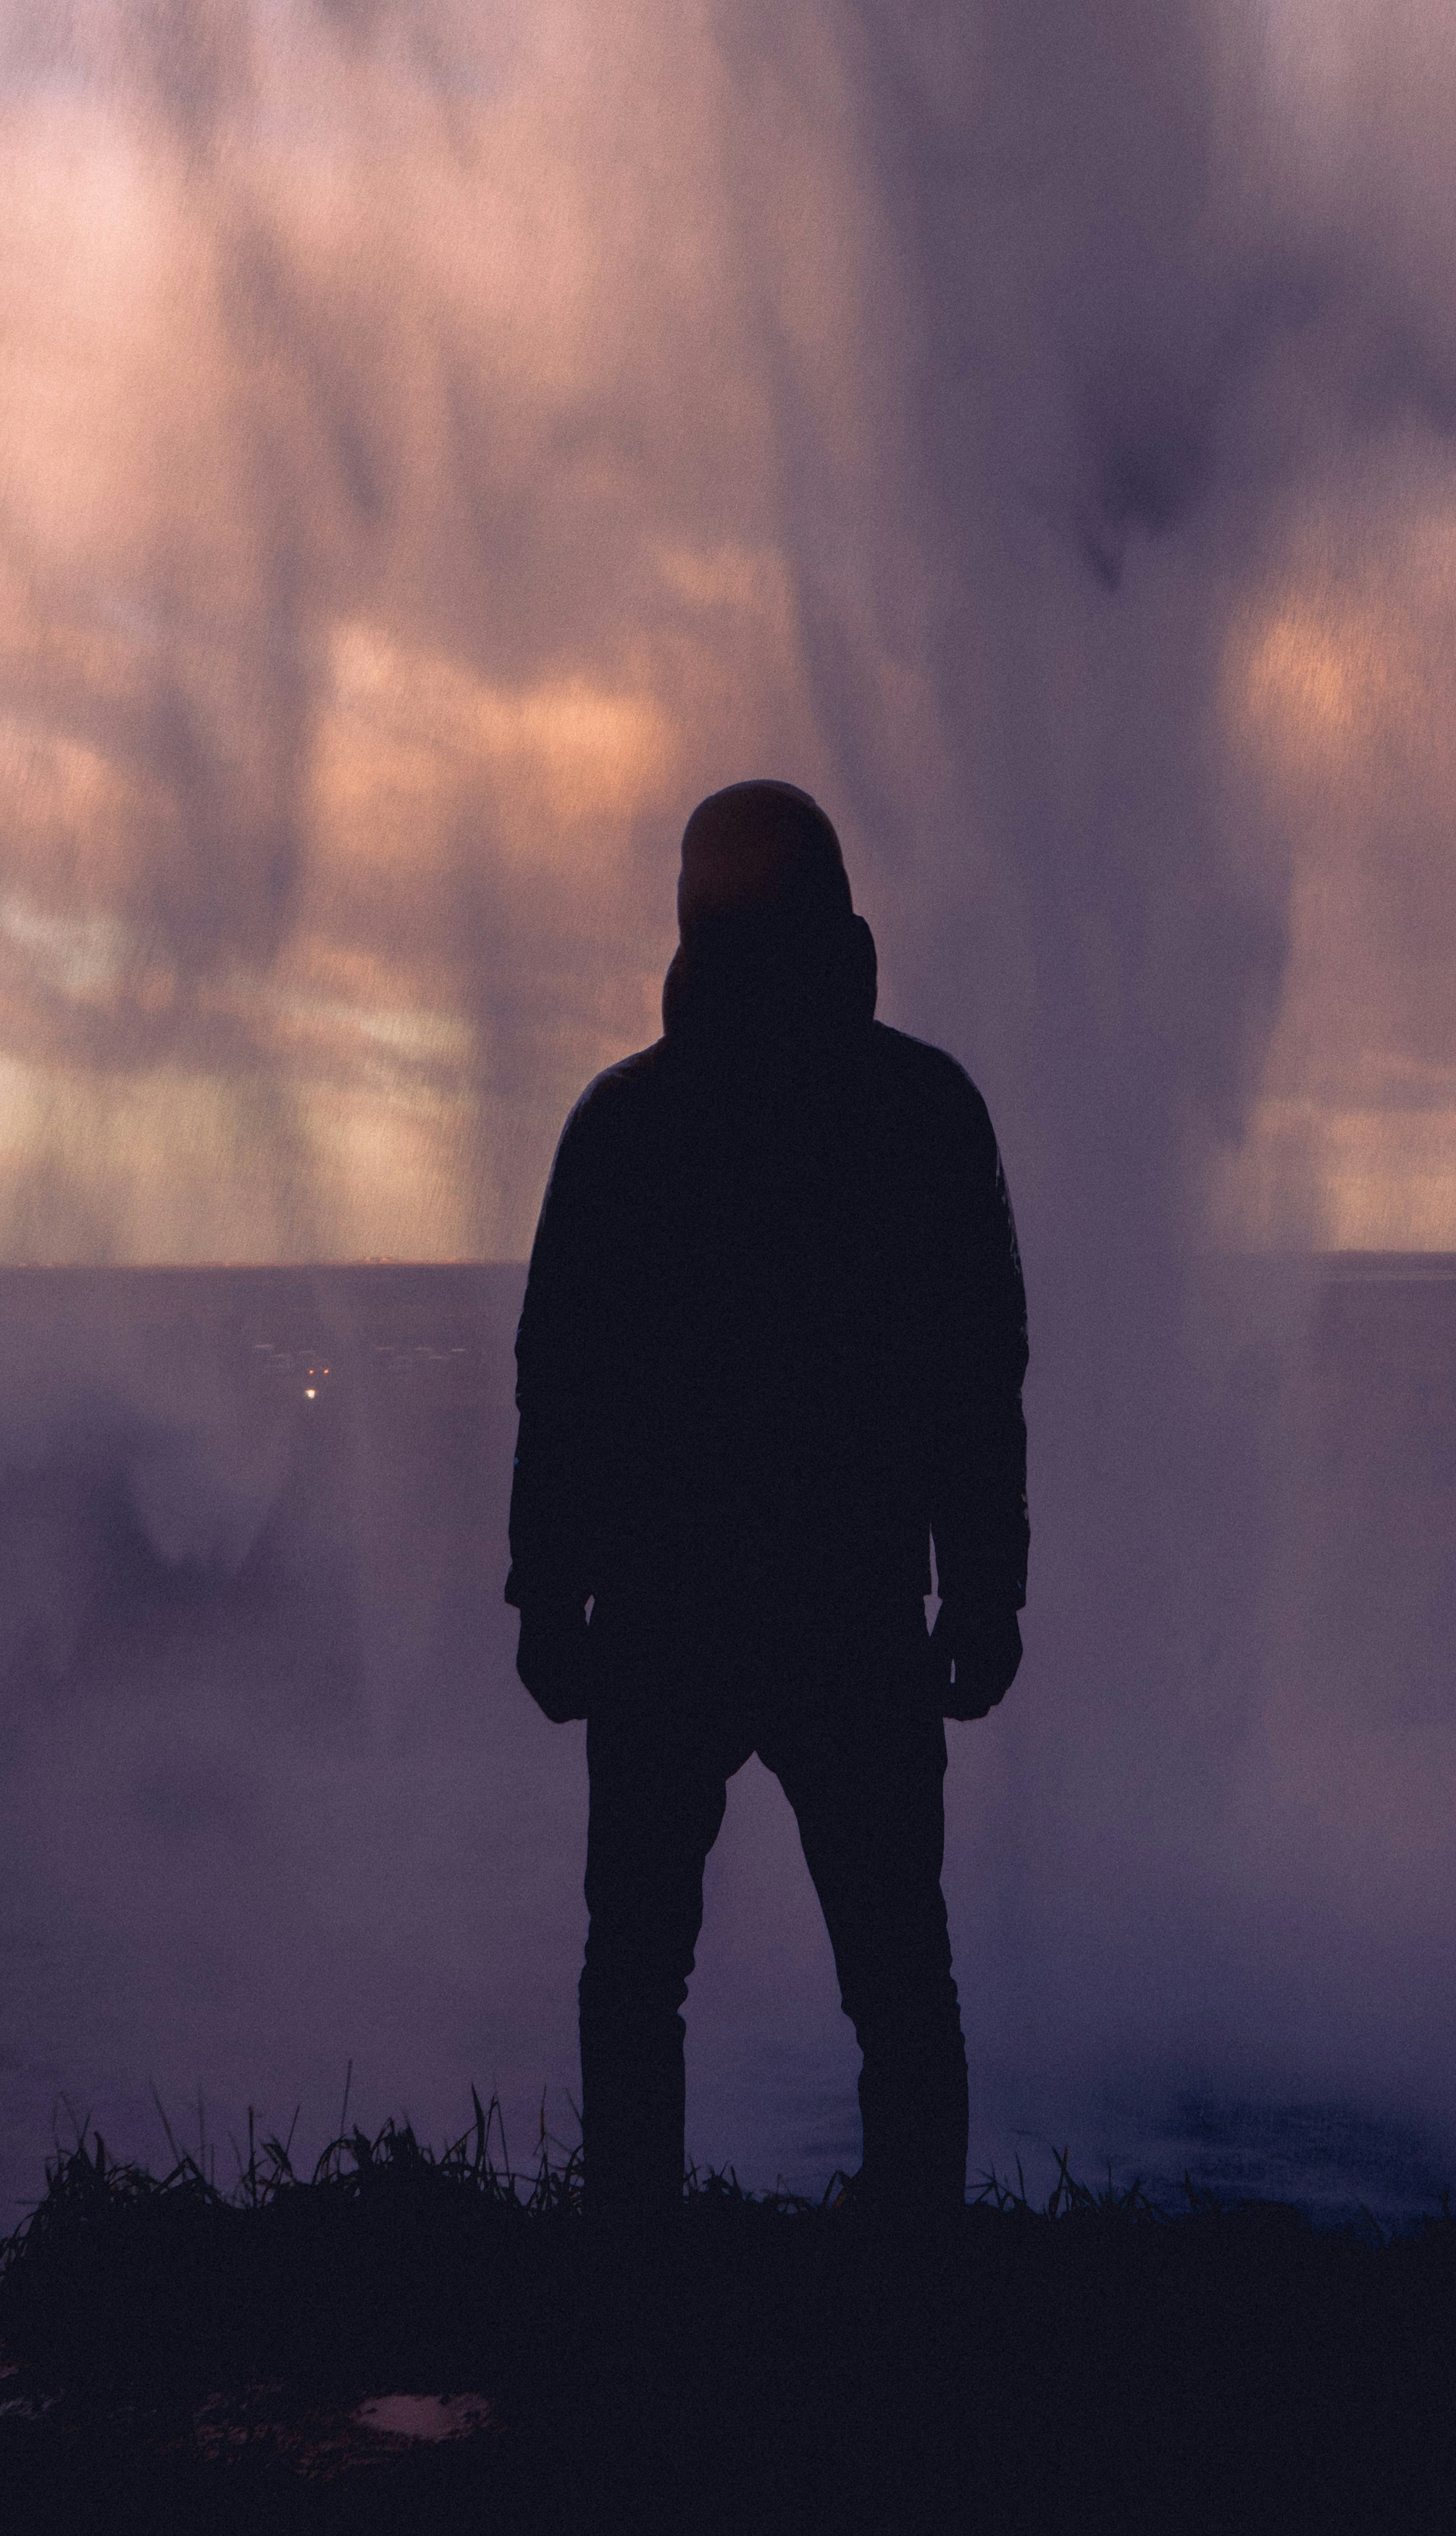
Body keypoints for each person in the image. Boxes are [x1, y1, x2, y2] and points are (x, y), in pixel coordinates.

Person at [509, 779, 1029, 2222]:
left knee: (646, 1972)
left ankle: (639, 2263)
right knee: (892, 1971)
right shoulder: (921, 1110)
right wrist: (984, 1594)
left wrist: (548, 1598)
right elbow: (976, 1375)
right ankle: (909, 2265)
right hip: (845, 1602)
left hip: (672, 1605)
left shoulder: (626, 1119)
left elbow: (561, 1382)